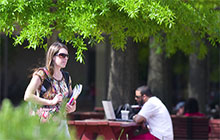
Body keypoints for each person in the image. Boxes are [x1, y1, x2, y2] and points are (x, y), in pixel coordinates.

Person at [24, 42, 76, 137]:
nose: (65, 58)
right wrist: (51, 102)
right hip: (44, 124)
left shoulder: (66, 77)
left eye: (67, 56)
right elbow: (27, 96)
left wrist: (72, 108)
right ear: (53, 56)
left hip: (61, 123)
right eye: (62, 55)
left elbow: (70, 99)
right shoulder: (42, 74)